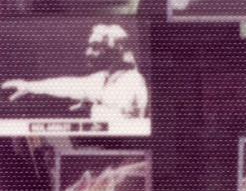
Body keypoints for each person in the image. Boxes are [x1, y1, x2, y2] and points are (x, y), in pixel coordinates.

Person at [1, 23, 149, 123]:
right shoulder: (100, 79)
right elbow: (67, 85)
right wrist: (28, 86)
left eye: (95, 47)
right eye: (89, 47)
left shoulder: (133, 81)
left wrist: (97, 104)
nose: (88, 53)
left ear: (117, 49)